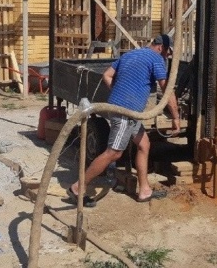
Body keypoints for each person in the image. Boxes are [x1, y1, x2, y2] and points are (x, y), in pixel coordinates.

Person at [67, 34, 180, 206]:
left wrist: (119, 93)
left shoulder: (130, 54)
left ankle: (144, 190)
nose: (168, 56)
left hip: (129, 112)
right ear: (161, 47)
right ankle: (77, 188)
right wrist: (175, 117)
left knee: (144, 144)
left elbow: (107, 75)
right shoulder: (156, 58)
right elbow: (167, 90)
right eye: (168, 52)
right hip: (125, 113)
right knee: (114, 152)